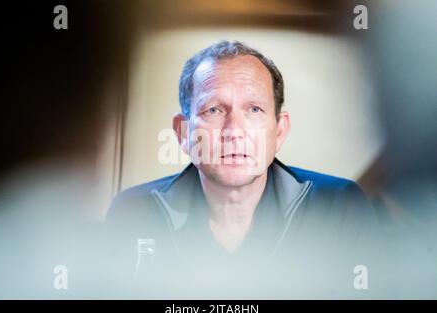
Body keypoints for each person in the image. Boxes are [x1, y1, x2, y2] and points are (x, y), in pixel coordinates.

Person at [106, 40, 379, 299]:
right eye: (213, 110)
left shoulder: (340, 208)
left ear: (279, 131)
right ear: (183, 133)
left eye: (255, 110)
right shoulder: (132, 214)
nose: (234, 131)